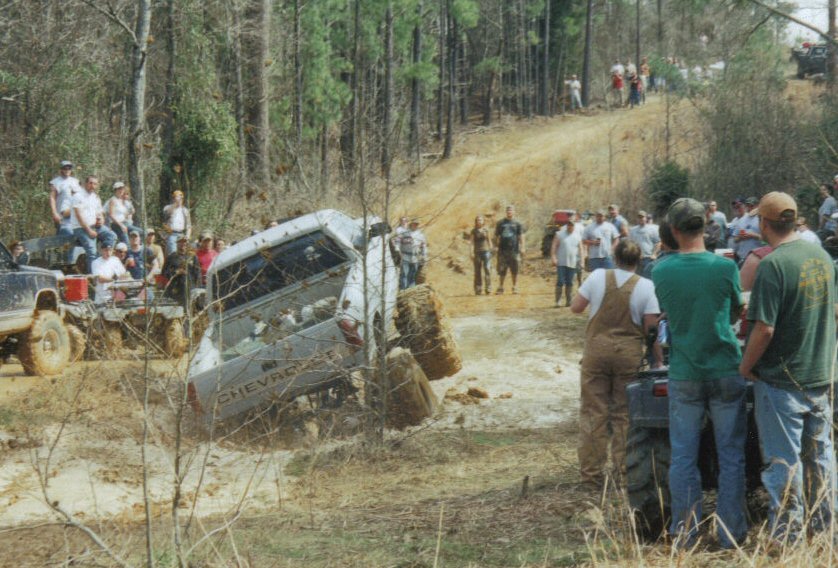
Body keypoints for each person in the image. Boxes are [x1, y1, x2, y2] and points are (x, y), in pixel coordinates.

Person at [739, 192, 838, 545]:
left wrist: (746, 366)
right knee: (821, 457)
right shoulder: (822, 257)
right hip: (820, 375)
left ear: (763, 223)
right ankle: (826, 532)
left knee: (784, 462)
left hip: (782, 380)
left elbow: (764, 329)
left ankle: (788, 539)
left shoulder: (773, 265)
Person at [651, 198, 746, 549]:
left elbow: (666, 310)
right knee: (731, 455)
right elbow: (735, 311)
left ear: (673, 230)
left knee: (683, 456)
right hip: (725, 368)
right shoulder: (725, 267)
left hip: (685, 372)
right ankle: (730, 534)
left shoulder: (661, 270)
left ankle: (685, 534)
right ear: (706, 226)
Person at [570, 240, 660, 486]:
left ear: (614, 257)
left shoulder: (598, 276)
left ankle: (591, 476)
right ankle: (623, 474)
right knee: (624, 414)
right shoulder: (646, 286)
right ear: (639, 260)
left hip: (596, 352)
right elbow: (651, 329)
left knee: (593, 411)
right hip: (627, 355)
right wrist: (658, 360)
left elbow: (576, 307)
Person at [70, 176, 117, 273]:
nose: (92, 186)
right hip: (81, 228)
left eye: (95, 184)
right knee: (92, 252)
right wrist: (89, 230)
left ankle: (104, 258)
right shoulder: (77, 196)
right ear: (85, 184)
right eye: (90, 183)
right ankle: (93, 277)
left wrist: (101, 220)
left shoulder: (95, 197)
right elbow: (78, 216)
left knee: (112, 235)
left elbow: (100, 213)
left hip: (96, 226)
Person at [551, 219, 583, 307]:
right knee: (560, 281)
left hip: (572, 262)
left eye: (572, 225)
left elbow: (581, 249)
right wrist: (553, 257)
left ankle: (569, 301)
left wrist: (582, 261)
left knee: (570, 282)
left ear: (574, 226)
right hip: (561, 262)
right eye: (569, 225)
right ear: (566, 226)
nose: (570, 227)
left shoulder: (578, 236)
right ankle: (557, 301)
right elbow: (554, 246)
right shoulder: (559, 234)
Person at [494, 206, 525, 294]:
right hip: (502, 250)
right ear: (506, 212)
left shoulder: (518, 223)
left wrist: (523, 247)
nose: (509, 212)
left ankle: (515, 287)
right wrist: (496, 246)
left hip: (514, 250)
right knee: (502, 269)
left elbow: (521, 236)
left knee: (515, 269)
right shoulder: (500, 223)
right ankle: (500, 287)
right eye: (508, 210)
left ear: (514, 212)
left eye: (511, 210)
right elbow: (496, 236)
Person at [48, 160, 83, 237]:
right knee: (64, 235)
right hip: (62, 214)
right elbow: (52, 198)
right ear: (61, 169)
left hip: (75, 214)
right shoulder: (56, 182)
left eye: (69, 168)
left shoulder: (75, 181)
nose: (67, 170)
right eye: (65, 168)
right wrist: (54, 213)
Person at [163, 236, 201, 303]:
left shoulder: (193, 257)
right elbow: (164, 273)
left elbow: (197, 274)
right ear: (177, 243)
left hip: (190, 288)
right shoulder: (171, 257)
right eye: (180, 242)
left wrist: (196, 287)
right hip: (176, 290)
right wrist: (175, 272)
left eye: (185, 242)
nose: (183, 244)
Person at [395, 218, 428, 290]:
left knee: (412, 276)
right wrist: (397, 249)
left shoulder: (420, 235)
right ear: (411, 224)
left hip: (415, 258)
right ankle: (403, 290)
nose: (415, 225)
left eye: (416, 224)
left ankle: (410, 291)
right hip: (405, 257)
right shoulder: (404, 233)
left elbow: (424, 246)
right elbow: (397, 241)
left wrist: (424, 257)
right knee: (404, 275)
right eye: (414, 223)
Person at [733, 197, 761, 263]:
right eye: (747, 206)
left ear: (757, 206)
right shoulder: (741, 220)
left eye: (752, 206)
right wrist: (740, 237)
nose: (749, 208)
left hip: (758, 257)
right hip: (743, 257)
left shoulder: (762, 219)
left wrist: (753, 235)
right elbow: (735, 240)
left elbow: (767, 240)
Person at [470, 215, 493, 295]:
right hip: (477, 252)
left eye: (480, 220)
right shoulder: (473, 231)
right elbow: (472, 242)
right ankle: (478, 288)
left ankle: (488, 288)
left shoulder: (486, 230)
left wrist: (491, 249)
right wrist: (471, 252)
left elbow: (489, 240)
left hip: (486, 252)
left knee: (487, 269)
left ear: (483, 221)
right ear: (476, 222)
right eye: (478, 220)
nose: (479, 221)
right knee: (477, 271)